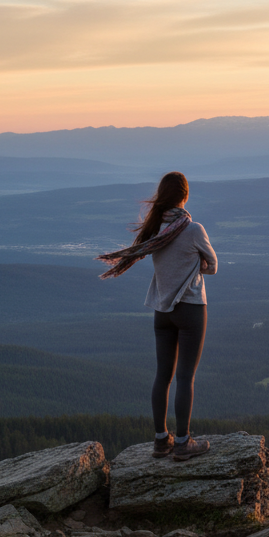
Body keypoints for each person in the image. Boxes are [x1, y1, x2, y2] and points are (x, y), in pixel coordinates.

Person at [97, 171, 218, 461]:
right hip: (190, 309)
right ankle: (183, 443)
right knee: (185, 378)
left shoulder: (155, 229)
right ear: (185, 196)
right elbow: (212, 266)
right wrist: (195, 266)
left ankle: (161, 440)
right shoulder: (193, 229)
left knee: (162, 376)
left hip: (161, 311)